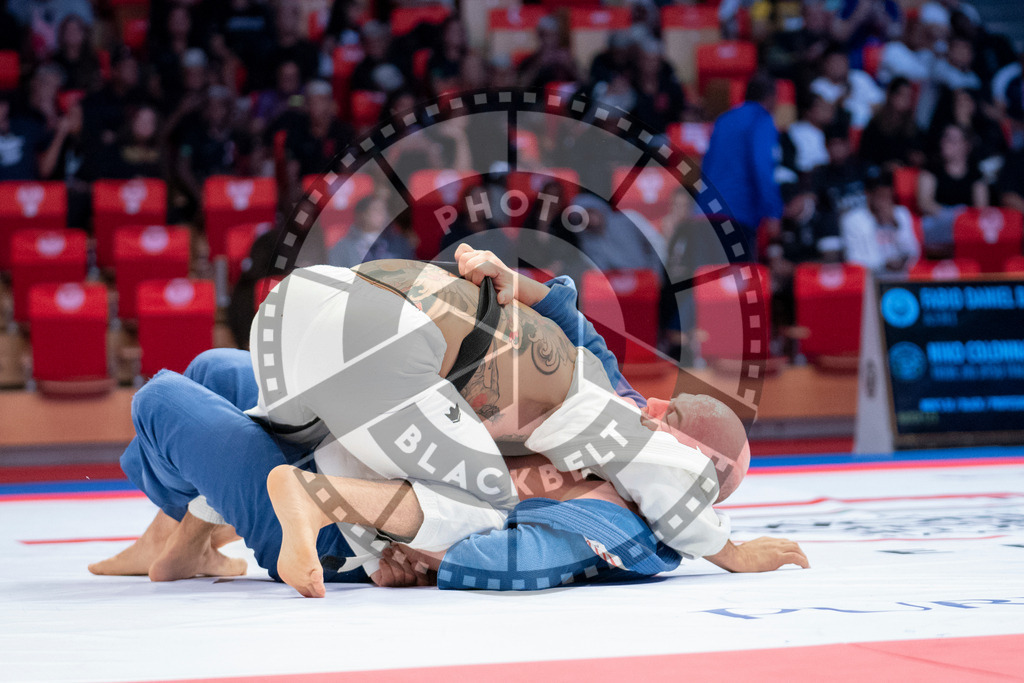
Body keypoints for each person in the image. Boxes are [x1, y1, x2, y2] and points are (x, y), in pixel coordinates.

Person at [92, 252, 799, 597]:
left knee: (161, 398)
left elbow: (494, 548)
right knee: (218, 366)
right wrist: (503, 276)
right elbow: (563, 314)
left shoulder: (626, 523)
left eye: (710, 493)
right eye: (708, 480)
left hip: (347, 509)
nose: (699, 493)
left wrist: (425, 560)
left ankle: (196, 522)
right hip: (368, 422)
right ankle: (178, 532)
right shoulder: (610, 395)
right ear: (664, 421)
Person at [700, 73, 784, 255]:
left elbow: (706, 166)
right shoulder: (761, 119)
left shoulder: (723, 120)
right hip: (738, 213)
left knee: (710, 281)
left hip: (706, 213)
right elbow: (762, 167)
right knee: (737, 281)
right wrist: (773, 212)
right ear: (770, 98)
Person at [917, 123, 987, 252]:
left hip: (967, 225)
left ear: (966, 146)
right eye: (944, 138)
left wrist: (963, 219)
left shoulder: (976, 175)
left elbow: (981, 208)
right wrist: (953, 216)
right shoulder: (931, 169)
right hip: (938, 221)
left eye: (952, 139)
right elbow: (924, 203)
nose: (945, 142)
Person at [841, 169, 920, 275]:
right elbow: (854, 260)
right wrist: (883, 264)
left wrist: (895, 225)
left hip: (901, 276)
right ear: (869, 195)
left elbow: (913, 252)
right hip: (871, 279)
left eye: (889, 197)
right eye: (881, 196)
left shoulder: (901, 214)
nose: (886, 201)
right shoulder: (853, 220)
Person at [327, 194, 414, 267]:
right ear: (361, 215)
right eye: (376, 210)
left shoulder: (400, 243)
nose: (383, 214)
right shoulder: (342, 247)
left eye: (384, 210)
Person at [810, 44, 885, 129]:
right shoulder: (818, 86)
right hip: (840, 130)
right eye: (835, 62)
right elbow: (826, 115)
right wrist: (842, 98)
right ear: (825, 63)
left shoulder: (859, 77)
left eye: (842, 61)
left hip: (869, 128)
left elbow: (878, 103)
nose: (839, 66)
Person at [857, 77, 924, 170]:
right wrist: (885, 166)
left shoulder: (913, 128)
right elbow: (865, 157)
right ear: (891, 95)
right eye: (902, 95)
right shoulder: (876, 124)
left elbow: (917, 154)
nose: (906, 100)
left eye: (909, 96)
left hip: (903, 176)